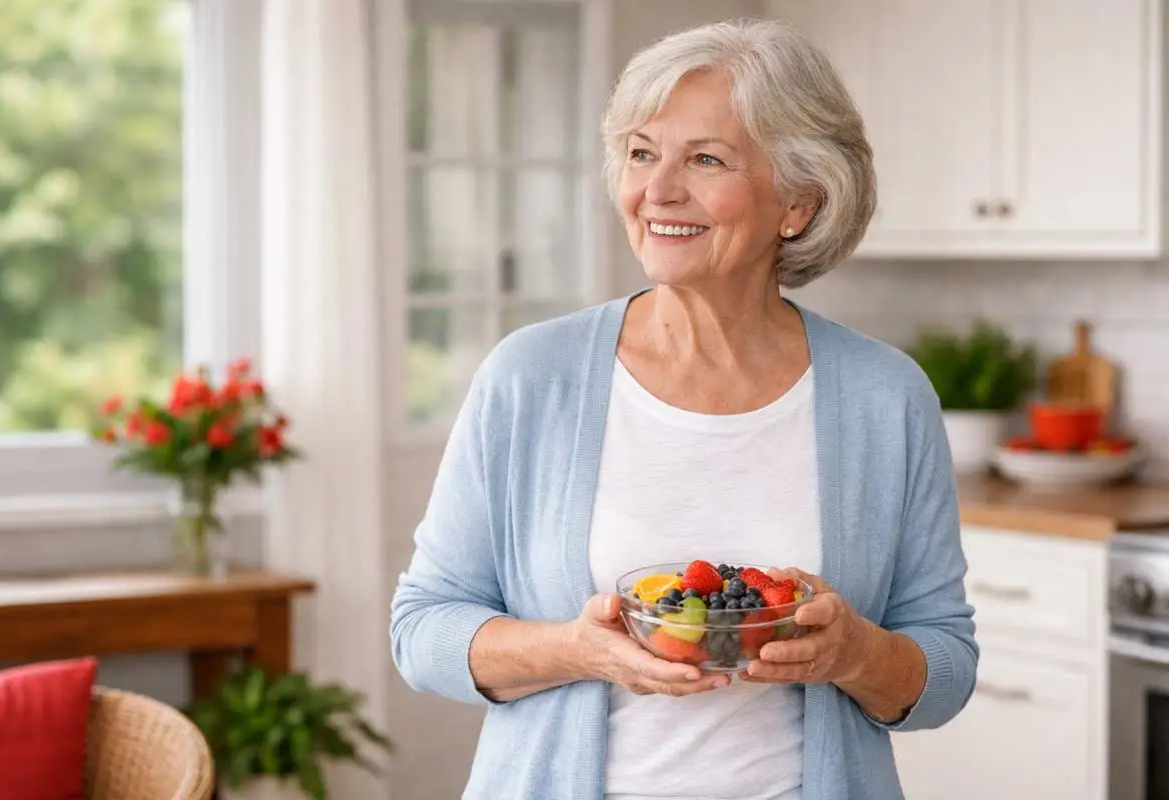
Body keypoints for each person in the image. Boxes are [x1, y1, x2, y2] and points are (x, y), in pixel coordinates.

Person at [390, 17, 977, 800]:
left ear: (798, 201)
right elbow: (422, 630)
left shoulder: (885, 396)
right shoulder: (532, 376)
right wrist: (580, 649)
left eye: (705, 159)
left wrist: (854, 655)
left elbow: (946, 668)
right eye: (641, 153)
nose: (656, 191)